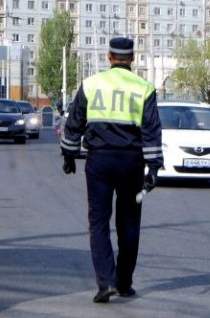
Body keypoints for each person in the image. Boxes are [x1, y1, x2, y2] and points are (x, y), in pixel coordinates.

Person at [61, 37, 163, 303]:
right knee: (129, 223)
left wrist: (69, 154)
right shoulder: (144, 88)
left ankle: (105, 281)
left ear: (109, 57)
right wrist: (153, 167)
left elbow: (74, 123)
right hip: (131, 161)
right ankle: (124, 282)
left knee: (98, 221)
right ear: (132, 58)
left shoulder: (91, 84)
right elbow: (151, 131)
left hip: (99, 161)